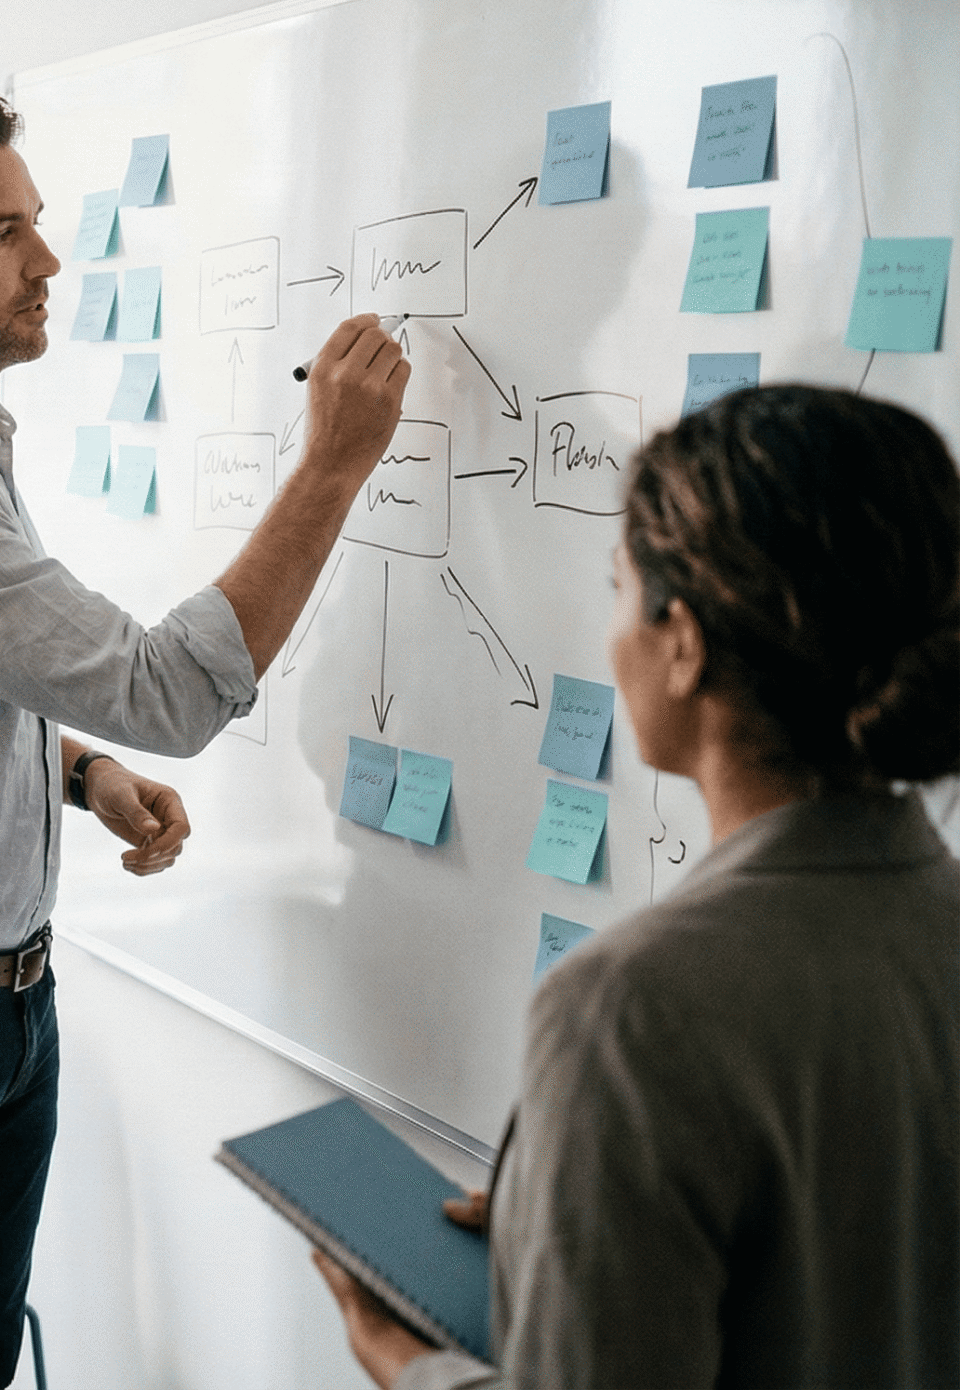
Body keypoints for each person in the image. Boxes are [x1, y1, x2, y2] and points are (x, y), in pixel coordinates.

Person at [0, 90, 408, 1387]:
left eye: (40, 224)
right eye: (3, 233)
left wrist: (84, 771)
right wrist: (332, 466)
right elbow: (171, 687)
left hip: (2, 1006)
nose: (49, 261)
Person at [318, 385, 960, 1388]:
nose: (608, 630)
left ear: (684, 641)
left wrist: (410, 1367)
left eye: (617, 586)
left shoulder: (632, 1011)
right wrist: (571, 1202)